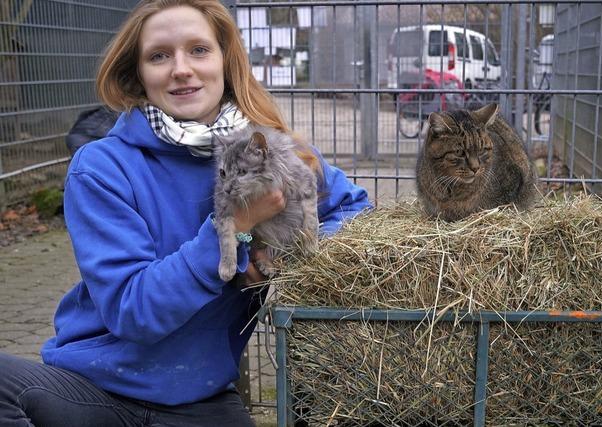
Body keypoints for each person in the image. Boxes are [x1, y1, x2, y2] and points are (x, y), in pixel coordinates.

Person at [0, 0, 371, 425]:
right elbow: (132, 310)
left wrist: (286, 257)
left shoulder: (274, 152)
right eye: (159, 55)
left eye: (198, 50)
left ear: (225, 62)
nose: (181, 68)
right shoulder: (101, 167)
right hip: (92, 391)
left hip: (199, 399)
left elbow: (356, 210)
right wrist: (236, 226)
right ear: (138, 73)